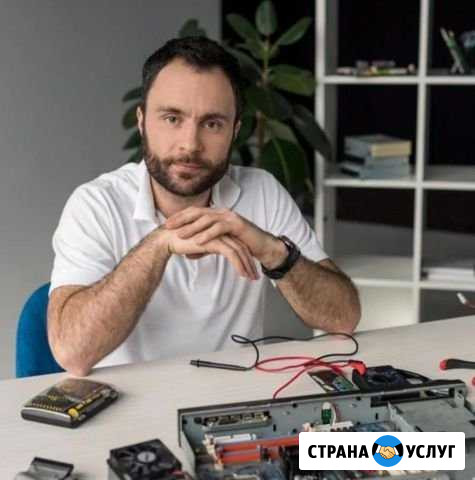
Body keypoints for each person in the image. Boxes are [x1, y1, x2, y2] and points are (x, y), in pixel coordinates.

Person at [47, 37, 360, 377]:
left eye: (212, 124)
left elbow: (343, 319)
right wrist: (159, 244)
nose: (190, 145)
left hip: (233, 398)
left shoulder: (262, 192)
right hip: (130, 403)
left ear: (235, 131)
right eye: (172, 118)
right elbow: (72, 352)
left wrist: (274, 252)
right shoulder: (96, 204)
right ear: (142, 121)